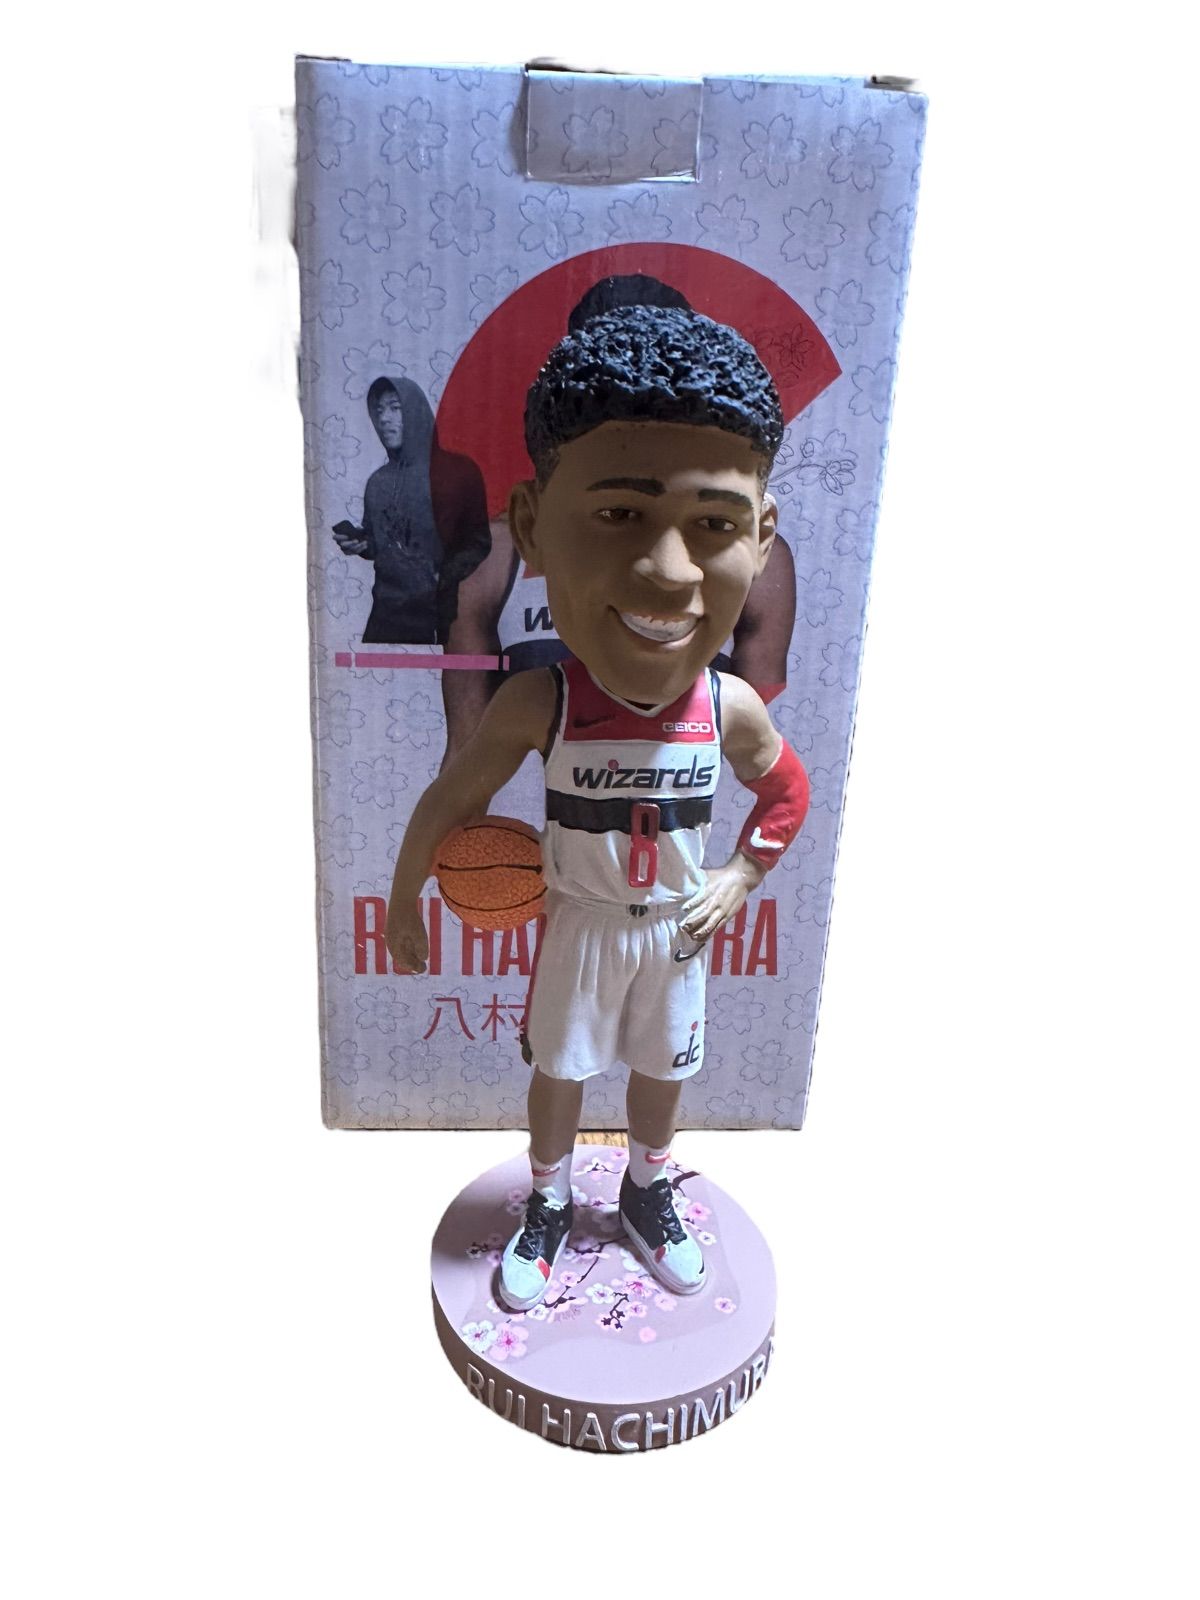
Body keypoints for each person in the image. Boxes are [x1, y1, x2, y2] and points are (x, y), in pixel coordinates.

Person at [386, 307, 810, 1311]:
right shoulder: (546, 698)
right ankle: (547, 1200)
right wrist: (407, 893)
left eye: (714, 524)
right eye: (620, 514)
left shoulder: (727, 706)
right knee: (560, 1072)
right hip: (579, 920)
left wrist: (742, 871)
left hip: (675, 925)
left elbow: (787, 791)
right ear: (534, 526)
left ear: (761, 535)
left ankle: (647, 1189)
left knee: (662, 1073)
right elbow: (455, 793)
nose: (668, 569)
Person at [439, 278, 796, 760]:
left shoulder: (762, 560)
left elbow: (761, 742)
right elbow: (463, 752)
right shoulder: (491, 557)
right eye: (618, 513)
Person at [333, 376, 490, 644]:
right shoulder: (377, 482)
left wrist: (442, 577)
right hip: (384, 616)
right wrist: (360, 543)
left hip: (435, 617)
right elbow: (379, 542)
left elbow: (479, 541)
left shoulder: (459, 472)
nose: (384, 419)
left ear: (415, 411)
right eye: (379, 410)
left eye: (395, 408)